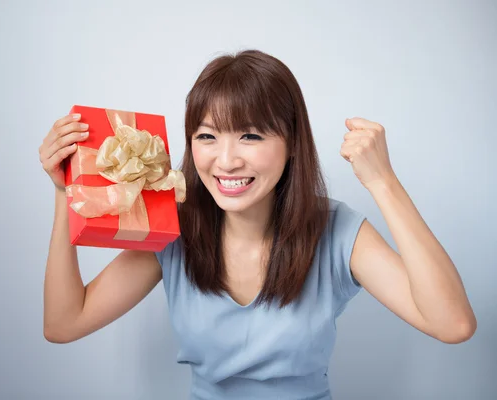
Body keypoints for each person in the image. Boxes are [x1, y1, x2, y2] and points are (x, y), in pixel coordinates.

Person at [39, 49, 476, 399]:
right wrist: (65, 192)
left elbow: (452, 324)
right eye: (207, 136)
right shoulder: (176, 228)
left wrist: (382, 180)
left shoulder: (337, 230)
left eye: (250, 135)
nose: (226, 160)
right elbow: (64, 323)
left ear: (291, 145)